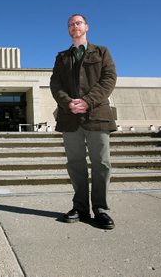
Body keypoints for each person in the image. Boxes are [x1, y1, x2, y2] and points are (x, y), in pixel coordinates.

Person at [50, 14, 117, 230]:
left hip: (97, 115)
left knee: (102, 164)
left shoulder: (101, 52)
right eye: (70, 24)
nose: (74, 26)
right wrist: (68, 102)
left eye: (78, 23)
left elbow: (109, 79)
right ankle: (80, 207)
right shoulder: (61, 57)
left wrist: (87, 101)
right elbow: (55, 84)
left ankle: (101, 209)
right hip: (70, 118)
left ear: (86, 26)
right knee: (75, 164)